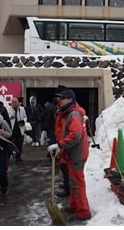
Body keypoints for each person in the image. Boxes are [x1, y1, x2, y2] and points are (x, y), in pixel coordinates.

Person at [48, 89, 92, 221]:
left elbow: (75, 135)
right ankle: (74, 205)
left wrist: (60, 145)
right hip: (71, 154)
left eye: (62, 98)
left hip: (77, 155)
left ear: (70, 99)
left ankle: (83, 212)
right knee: (72, 182)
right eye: (59, 98)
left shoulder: (73, 115)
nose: (59, 101)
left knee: (77, 183)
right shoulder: (67, 113)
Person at [7, 97, 28, 162]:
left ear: (18, 103)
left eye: (15, 102)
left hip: (19, 128)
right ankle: (8, 156)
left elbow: (25, 117)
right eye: (13, 102)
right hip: (11, 129)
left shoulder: (22, 109)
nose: (14, 104)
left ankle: (18, 156)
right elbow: (6, 117)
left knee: (19, 144)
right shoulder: (8, 109)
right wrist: (11, 116)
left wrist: (23, 121)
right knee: (10, 144)